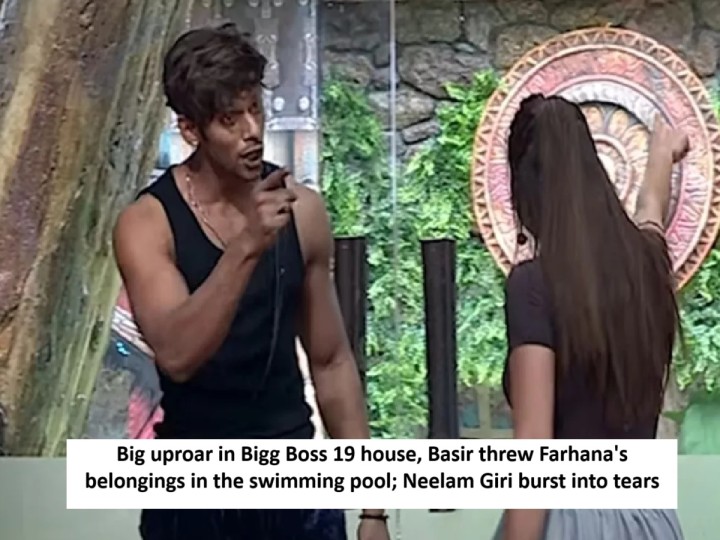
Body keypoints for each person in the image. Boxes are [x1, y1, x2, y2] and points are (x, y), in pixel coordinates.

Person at [112, 22, 390, 540]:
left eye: (256, 109)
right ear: (190, 130)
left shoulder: (302, 210)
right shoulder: (147, 224)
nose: (252, 131)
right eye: (229, 119)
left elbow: (331, 361)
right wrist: (246, 246)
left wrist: (373, 509)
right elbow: (177, 354)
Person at [493, 94, 689, 540]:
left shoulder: (532, 287)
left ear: (523, 188)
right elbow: (651, 210)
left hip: (567, 522)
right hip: (651, 522)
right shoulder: (648, 264)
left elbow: (533, 453)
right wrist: (662, 153)